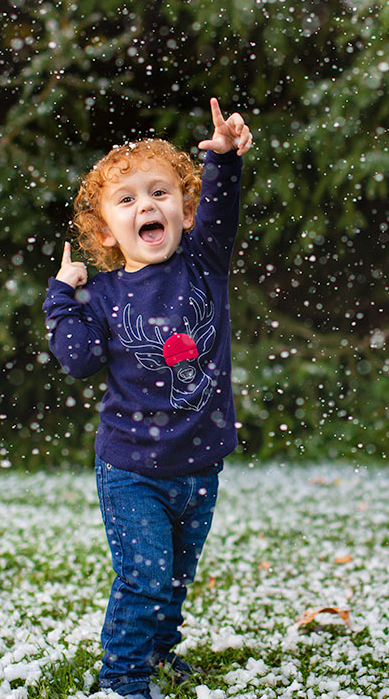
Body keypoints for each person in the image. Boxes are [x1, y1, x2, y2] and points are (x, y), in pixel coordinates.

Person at [42, 98, 253, 698]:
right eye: (128, 200)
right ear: (107, 230)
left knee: (177, 577)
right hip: (131, 468)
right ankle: (124, 677)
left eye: (160, 194)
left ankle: (160, 652)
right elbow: (78, 360)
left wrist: (224, 164)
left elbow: (223, 210)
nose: (147, 206)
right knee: (143, 577)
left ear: (185, 211)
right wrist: (63, 295)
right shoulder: (105, 296)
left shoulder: (204, 264)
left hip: (199, 461)